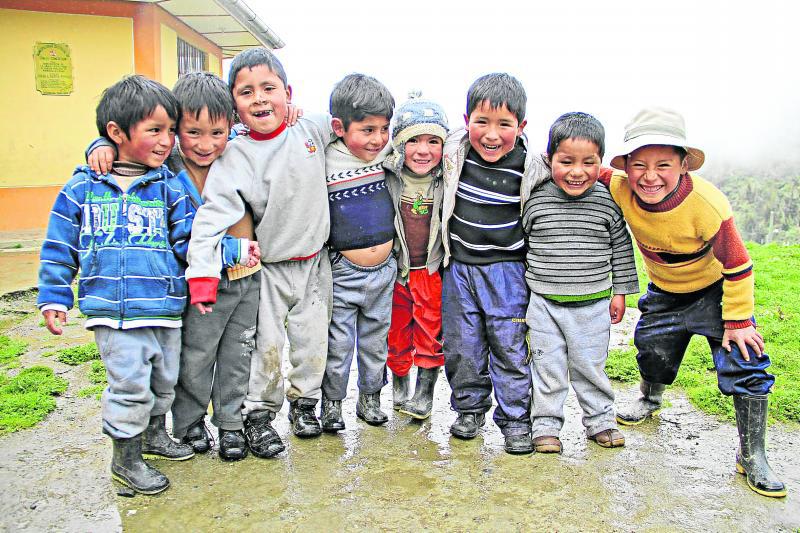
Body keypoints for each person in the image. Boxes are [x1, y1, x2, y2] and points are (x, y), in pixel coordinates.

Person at [603, 106, 785, 498]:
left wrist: (738, 321)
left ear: (684, 164)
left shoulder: (708, 206)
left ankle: (752, 454)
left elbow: (738, 265)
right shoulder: (619, 187)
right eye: (639, 165)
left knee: (745, 361)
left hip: (714, 293)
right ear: (627, 167)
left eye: (663, 164)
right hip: (664, 291)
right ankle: (649, 398)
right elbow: (582, 169)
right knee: (652, 351)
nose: (650, 177)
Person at [87, 72, 261, 462]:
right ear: (175, 127)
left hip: (246, 276)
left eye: (216, 132)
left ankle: (231, 424)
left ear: (230, 126)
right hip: (198, 282)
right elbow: (128, 144)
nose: (205, 144)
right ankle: (188, 424)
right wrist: (99, 144)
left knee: (239, 354)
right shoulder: (165, 166)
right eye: (191, 132)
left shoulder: (239, 153)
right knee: (194, 358)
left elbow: (275, 136)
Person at [38, 75, 196, 494]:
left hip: (165, 306)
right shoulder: (82, 188)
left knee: (164, 380)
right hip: (113, 312)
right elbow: (59, 245)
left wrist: (232, 251)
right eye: (155, 131)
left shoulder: (169, 185)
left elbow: (192, 236)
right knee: (129, 385)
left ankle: (154, 435)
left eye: (170, 130)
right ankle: (125, 461)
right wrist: (54, 296)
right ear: (116, 133)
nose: (168, 141)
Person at [185, 48, 334, 457]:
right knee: (264, 349)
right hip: (268, 269)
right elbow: (212, 217)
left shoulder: (312, 131)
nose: (260, 99)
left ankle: (305, 406)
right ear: (234, 105)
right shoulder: (234, 155)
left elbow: (359, 130)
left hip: (315, 264)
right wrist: (201, 275)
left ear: (288, 93)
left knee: (311, 343)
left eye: (269, 88)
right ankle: (259, 417)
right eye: (247, 92)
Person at [440, 73, 549, 454]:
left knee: (510, 346)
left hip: (509, 272)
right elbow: (406, 144)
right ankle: (469, 409)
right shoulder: (453, 151)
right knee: (461, 345)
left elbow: (574, 173)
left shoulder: (532, 166)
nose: (491, 134)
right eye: (481, 121)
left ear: (521, 126)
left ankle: (516, 419)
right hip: (459, 269)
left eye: (504, 124)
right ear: (465, 120)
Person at [523, 112, 639, 453]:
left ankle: (601, 421)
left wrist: (620, 293)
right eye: (566, 161)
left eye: (588, 162)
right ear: (550, 159)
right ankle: (545, 427)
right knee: (548, 367)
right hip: (544, 302)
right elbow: (524, 243)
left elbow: (621, 246)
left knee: (590, 366)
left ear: (600, 162)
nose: (577, 171)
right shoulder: (536, 198)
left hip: (593, 303)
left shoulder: (606, 201)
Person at [319, 74, 397, 431]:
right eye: (367, 129)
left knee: (375, 342)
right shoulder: (324, 156)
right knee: (337, 344)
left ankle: (370, 399)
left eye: (383, 128)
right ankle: (332, 405)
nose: (377, 138)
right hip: (343, 271)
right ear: (339, 126)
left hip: (384, 271)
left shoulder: (387, 154)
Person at [384, 93, 448, 419]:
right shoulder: (389, 174)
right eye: (413, 140)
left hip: (430, 269)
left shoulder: (447, 177)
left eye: (433, 141)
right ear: (399, 144)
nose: (423, 150)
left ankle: (424, 393)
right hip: (396, 268)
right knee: (396, 331)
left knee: (429, 331)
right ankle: (399, 383)